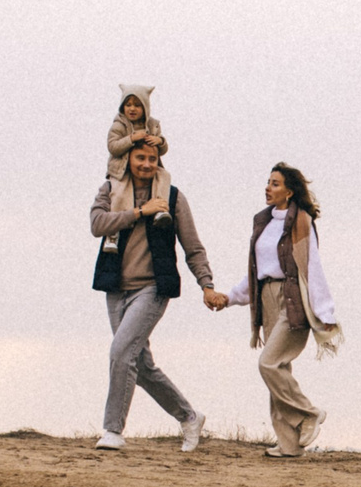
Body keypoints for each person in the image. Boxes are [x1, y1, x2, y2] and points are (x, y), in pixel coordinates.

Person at [88, 134, 227, 450]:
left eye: (153, 159)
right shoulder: (110, 190)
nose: (147, 164)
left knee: (121, 352)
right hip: (115, 289)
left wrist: (206, 285)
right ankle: (189, 416)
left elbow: (193, 247)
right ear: (128, 160)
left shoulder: (173, 198)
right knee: (141, 366)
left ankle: (112, 431)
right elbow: (98, 224)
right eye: (140, 158)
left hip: (153, 289)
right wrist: (139, 212)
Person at [221, 163, 340, 458]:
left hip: (292, 298)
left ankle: (308, 414)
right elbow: (257, 270)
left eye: (275, 184)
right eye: (268, 182)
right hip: (266, 296)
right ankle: (289, 445)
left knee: (269, 364)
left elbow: (312, 266)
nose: (268, 188)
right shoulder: (262, 221)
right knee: (279, 369)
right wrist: (231, 297)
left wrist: (325, 313)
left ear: (289, 191)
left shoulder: (301, 221)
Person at [105, 84, 165, 176]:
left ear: (145, 108)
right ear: (122, 107)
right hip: (122, 172)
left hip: (147, 170)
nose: (132, 109)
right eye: (128, 105)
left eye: (137, 105)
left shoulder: (153, 125)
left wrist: (160, 141)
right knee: (118, 188)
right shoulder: (119, 125)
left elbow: (163, 150)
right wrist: (131, 139)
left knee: (164, 178)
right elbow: (113, 147)